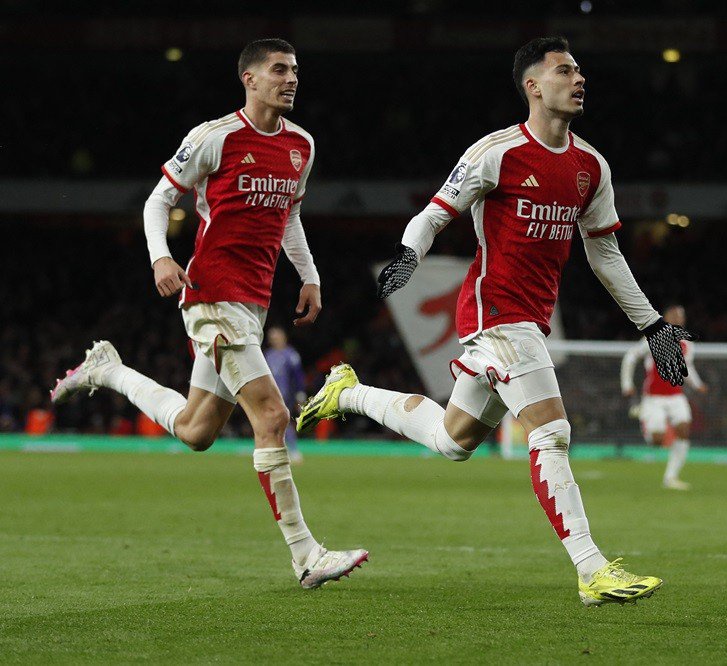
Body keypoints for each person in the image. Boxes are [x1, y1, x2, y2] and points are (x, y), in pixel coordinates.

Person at [297, 36, 690, 606]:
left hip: (527, 318)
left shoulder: (591, 167)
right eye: (564, 70)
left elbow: (604, 255)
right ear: (533, 85)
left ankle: (350, 392)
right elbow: (435, 212)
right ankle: (592, 569)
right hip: (496, 314)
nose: (579, 79)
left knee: (453, 441)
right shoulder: (497, 152)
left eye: (579, 70)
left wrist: (652, 325)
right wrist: (411, 253)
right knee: (552, 433)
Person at [50, 39, 367, 589]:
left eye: (294, 71)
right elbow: (157, 202)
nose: (290, 79)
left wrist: (310, 275)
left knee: (197, 431)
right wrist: (161, 257)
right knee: (271, 419)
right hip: (212, 295)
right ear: (248, 78)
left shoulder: (301, 146)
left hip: (252, 300)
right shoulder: (213, 137)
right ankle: (306, 556)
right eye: (278, 70)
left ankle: (108, 370)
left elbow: (289, 215)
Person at [621, 304, 707, 490]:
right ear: (665, 317)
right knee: (658, 440)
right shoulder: (654, 338)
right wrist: (627, 384)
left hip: (676, 396)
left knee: (684, 428)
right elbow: (630, 357)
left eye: (680, 315)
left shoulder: (687, 344)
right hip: (653, 398)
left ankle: (671, 477)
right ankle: (645, 419)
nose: (678, 318)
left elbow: (688, 368)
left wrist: (698, 385)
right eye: (674, 315)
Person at [264, 326, 306, 463]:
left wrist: (300, 393)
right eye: (272, 338)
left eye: (276, 337)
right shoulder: (268, 355)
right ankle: (272, 449)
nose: (274, 340)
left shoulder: (291, 354)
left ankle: (293, 450)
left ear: (283, 337)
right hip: (269, 394)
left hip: (285, 394)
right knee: (269, 422)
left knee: (283, 421)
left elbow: (298, 376)